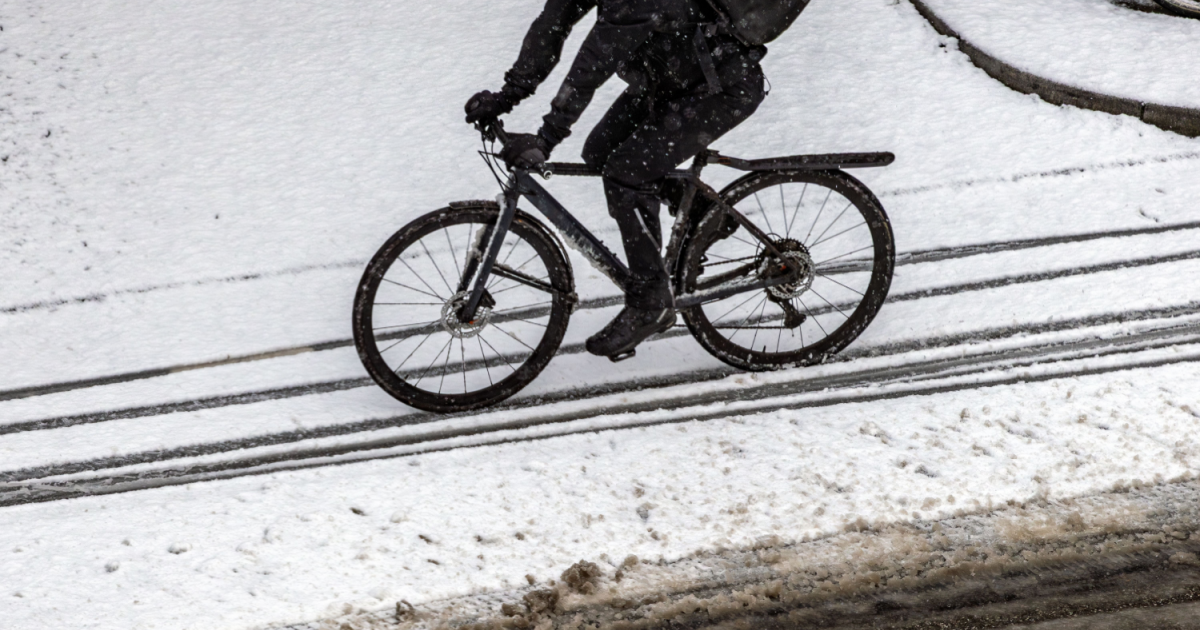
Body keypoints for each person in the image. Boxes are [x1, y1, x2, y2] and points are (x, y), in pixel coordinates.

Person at [464, 0, 767, 359]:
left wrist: (547, 137)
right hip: (671, 80)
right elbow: (552, 25)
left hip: (719, 87)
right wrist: (508, 96)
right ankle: (704, 215)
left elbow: (593, 64)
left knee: (627, 171)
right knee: (600, 152)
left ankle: (650, 300)